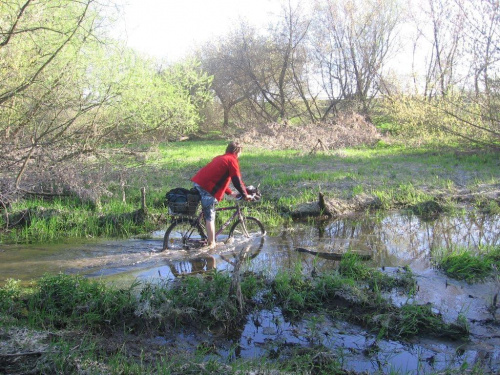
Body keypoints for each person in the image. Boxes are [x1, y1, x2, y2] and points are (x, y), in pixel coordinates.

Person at [191, 141, 250, 249]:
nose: (240, 154)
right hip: (206, 187)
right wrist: (245, 195)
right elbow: (237, 181)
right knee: (210, 215)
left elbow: (218, 179)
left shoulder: (221, 158)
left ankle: (208, 237)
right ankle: (211, 243)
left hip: (199, 183)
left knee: (207, 211)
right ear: (237, 151)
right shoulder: (232, 160)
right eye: (240, 152)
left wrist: (230, 193)